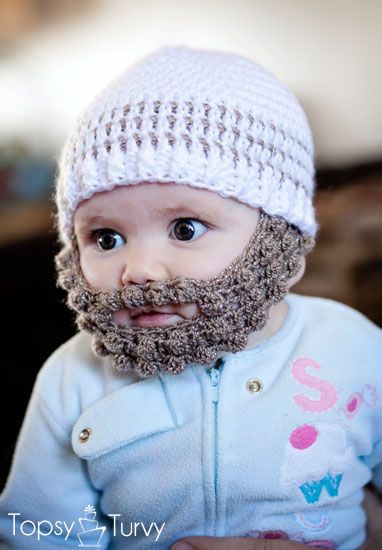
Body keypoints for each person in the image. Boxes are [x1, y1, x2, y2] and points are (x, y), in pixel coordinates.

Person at [0, 46, 381, 550]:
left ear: (277, 237)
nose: (139, 270)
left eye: (184, 228)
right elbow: (36, 534)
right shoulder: (73, 382)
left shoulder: (354, 347)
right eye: (106, 239)